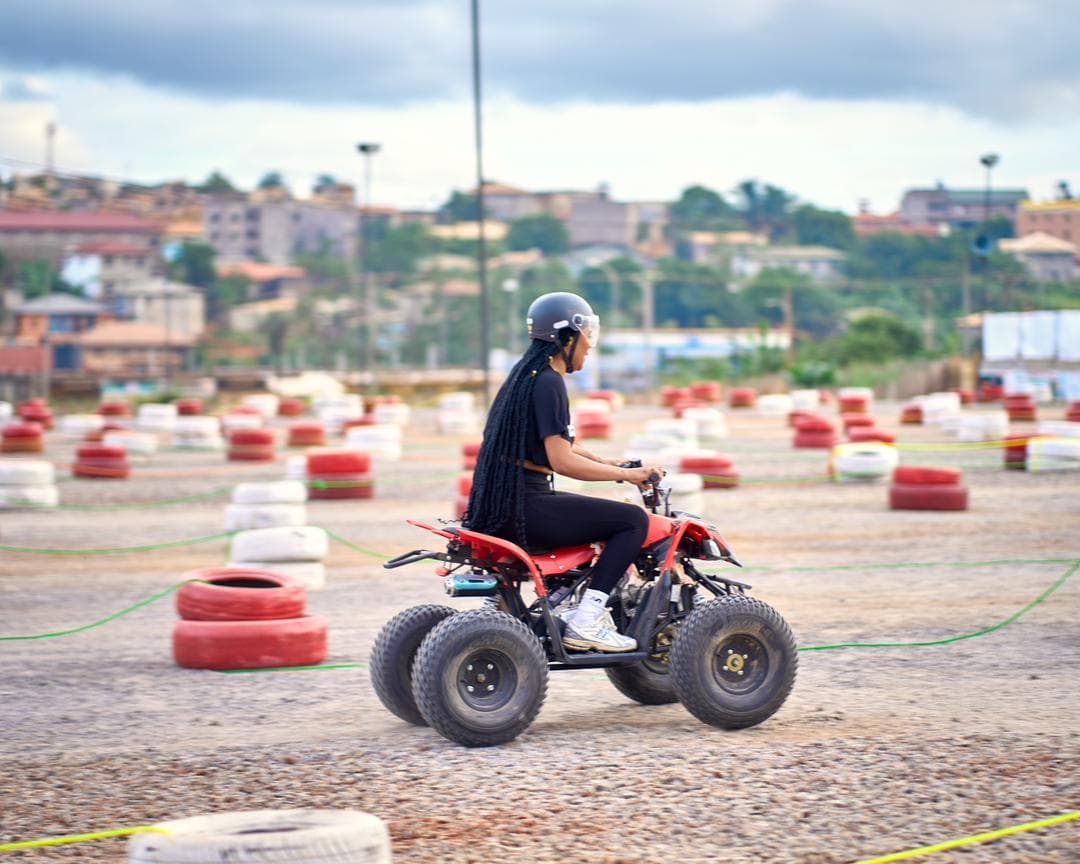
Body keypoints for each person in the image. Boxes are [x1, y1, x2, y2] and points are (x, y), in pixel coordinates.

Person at [463, 291, 665, 652]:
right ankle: (587, 618)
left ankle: (558, 603)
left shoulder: (526, 376)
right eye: (586, 333)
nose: (589, 344)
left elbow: (557, 445)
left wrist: (608, 462)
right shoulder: (550, 383)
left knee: (594, 517)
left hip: (507, 505)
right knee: (632, 521)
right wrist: (630, 477)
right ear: (566, 337)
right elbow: (562, 461)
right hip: (529, 506)